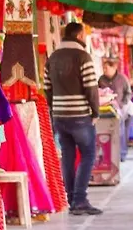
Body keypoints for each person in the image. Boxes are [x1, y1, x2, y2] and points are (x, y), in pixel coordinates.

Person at [43, 22, 103, 215]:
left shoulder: (52, 57)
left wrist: (55, 108)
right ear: (79, 35)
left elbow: (47, 88)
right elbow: (91, 88)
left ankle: (71, 199)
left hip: (60, 115)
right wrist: (95, 112)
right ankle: (80, 199)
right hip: (80, 115)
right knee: (88, 155)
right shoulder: (83, 57)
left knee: (68, 156)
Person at [98, 58, 132, 162]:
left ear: (113, 68)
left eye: (106, 68)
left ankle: (122, 154)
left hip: (120, 109)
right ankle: (108, 154)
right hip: (105, 109)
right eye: (103, 68)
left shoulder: (122, 78)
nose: (104, 70)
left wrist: (122, 104)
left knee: (120, 131)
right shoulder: (101, 79)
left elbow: (128, 93)